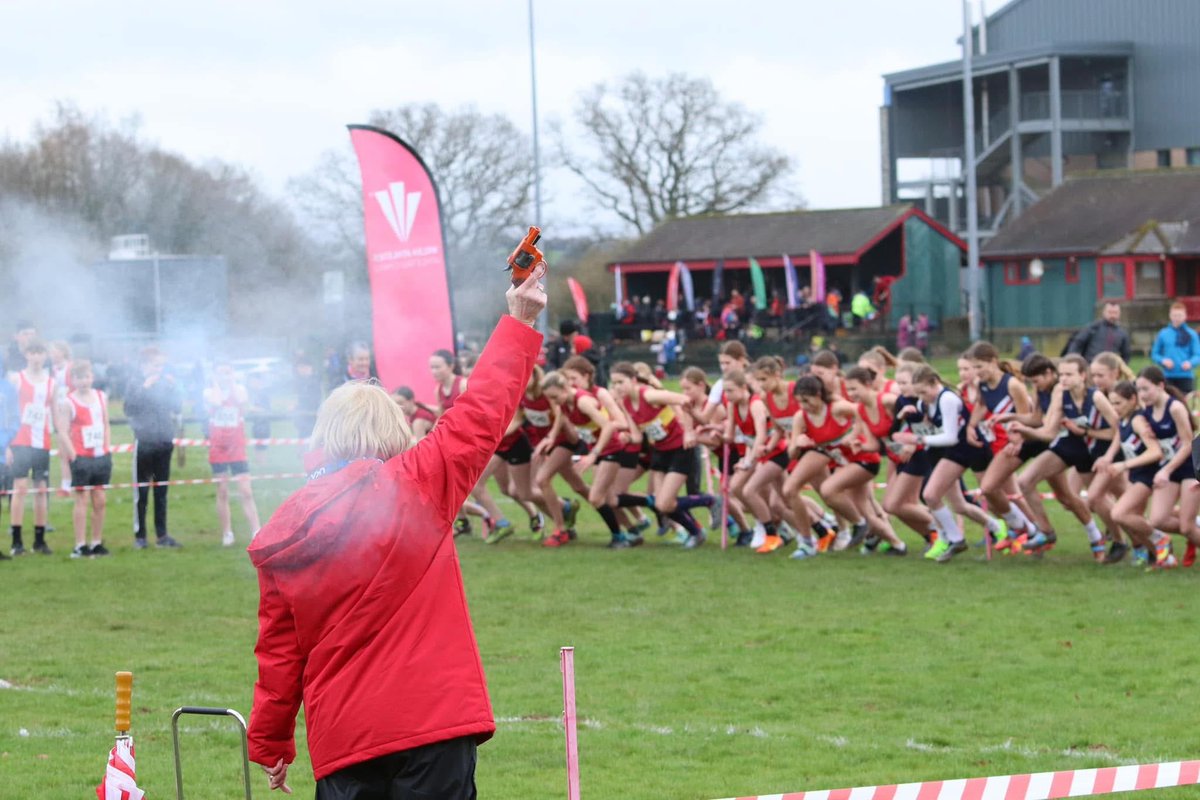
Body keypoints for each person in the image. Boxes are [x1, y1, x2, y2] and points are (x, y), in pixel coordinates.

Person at [247, 264, 547, 798]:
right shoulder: (418, 483)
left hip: (345, 734)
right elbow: (481, 412)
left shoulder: (288, 525)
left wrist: (270, 742)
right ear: (393, 431)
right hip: (432, 721)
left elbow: (279, 654)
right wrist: (519, 319)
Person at [124, 347, 183, 549]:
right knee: (141, 492)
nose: (160, 369)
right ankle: (140, 536)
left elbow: (177, 408)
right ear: (145, 365)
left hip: (164, 440)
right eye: (156, 364)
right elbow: (129, 408)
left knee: (161, 491)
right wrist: (145, 388)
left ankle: (162, 535)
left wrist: (175, 389)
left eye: (161, 365)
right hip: (144, 441)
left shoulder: (165, 384)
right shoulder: (135, 383)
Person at [56, 359, 112, 558]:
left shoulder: (100, 397)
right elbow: (62, 431)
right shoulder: (68, 402)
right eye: (79, 378)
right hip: (81, 456)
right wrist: (74, 456)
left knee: (100, 500)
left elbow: (106, 423)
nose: (84, 381)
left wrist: (107, 447)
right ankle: (80, 545)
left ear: (92, 377)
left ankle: (96, 542)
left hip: (100, 455)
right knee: (82, 499)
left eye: (87, 377)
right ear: (73, 380)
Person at [206, 362, 262, 547]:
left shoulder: (239, 389)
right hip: (218, 447)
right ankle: (227, 532)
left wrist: (231, 383)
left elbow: (240, 400)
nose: (225, 376)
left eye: (228, 373)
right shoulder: (208, 391)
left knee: (246, 491)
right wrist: (216, 382)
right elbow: (216, 402)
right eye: (221, 373)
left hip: (237, 446)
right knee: (222, 491)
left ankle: (256, 531)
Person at [8, 340, 54, 555]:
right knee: (20, 488)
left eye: (40, 353)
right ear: (27, 355)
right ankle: (17, 540)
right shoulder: (17, 378)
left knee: (41, 489)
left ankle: (39, 539)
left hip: (41, 441)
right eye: (33, 353)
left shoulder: (51, 383)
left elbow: (53, 411)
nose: (37, 357)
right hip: (20, 440)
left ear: (45, 356)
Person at [1150, 301, 1200, 394]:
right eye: (1175, 315)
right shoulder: (1163, 333)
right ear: (1170, 315)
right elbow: (1155, 354)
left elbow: (1197, 355)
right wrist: (1163, 360)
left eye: (1180, 315)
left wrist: (1190, 363)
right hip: (1168, 376)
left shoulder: (1192, 334)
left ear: (1185, 316)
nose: (1177, 318)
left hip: (1186, 376)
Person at [1067, 302, 1131, 363]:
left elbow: (1126, 354)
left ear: (1119, 314)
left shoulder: (1122, 333)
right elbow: (1077, 343)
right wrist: (1074, 360)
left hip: (1110, 368)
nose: (1113, 315)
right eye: (1110, 312)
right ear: (1104, 312)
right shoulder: (1093, 327)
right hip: (1090, 365)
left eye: (1115, 313)